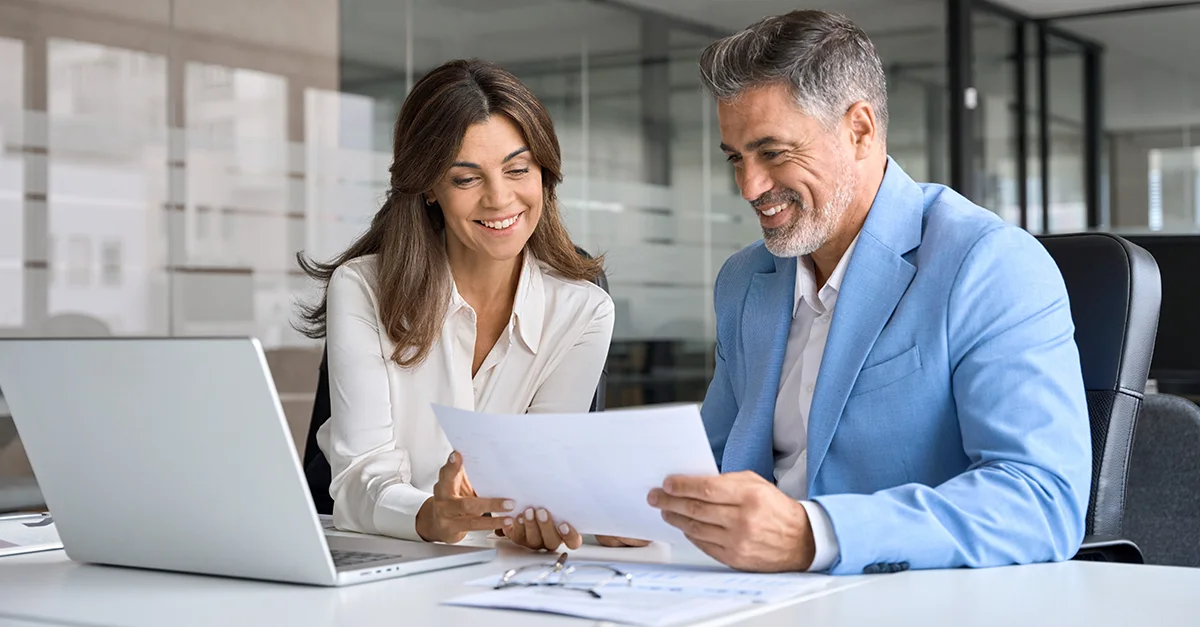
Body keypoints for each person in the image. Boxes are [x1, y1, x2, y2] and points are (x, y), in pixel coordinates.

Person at [648, 10, 1092, 575]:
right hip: (753, 596)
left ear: (859, 129)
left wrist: (817, 535)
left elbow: (1042, 498)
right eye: (736, 158)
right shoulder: (745, 280)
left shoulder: (988, 264)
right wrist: (613, 514)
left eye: (773, 152)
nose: (749, 186)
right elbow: (708, 465)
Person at [296, 59, 642, 551]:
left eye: (518, 169)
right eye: (465, 179)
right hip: (381, 557)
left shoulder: (583, 310)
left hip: (493, 568)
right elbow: (358, 479)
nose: (500, 199)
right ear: (430, 188)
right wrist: (431, 516)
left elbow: (534, 482)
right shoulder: (363, 288)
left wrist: (557, 510)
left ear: (544, 173)